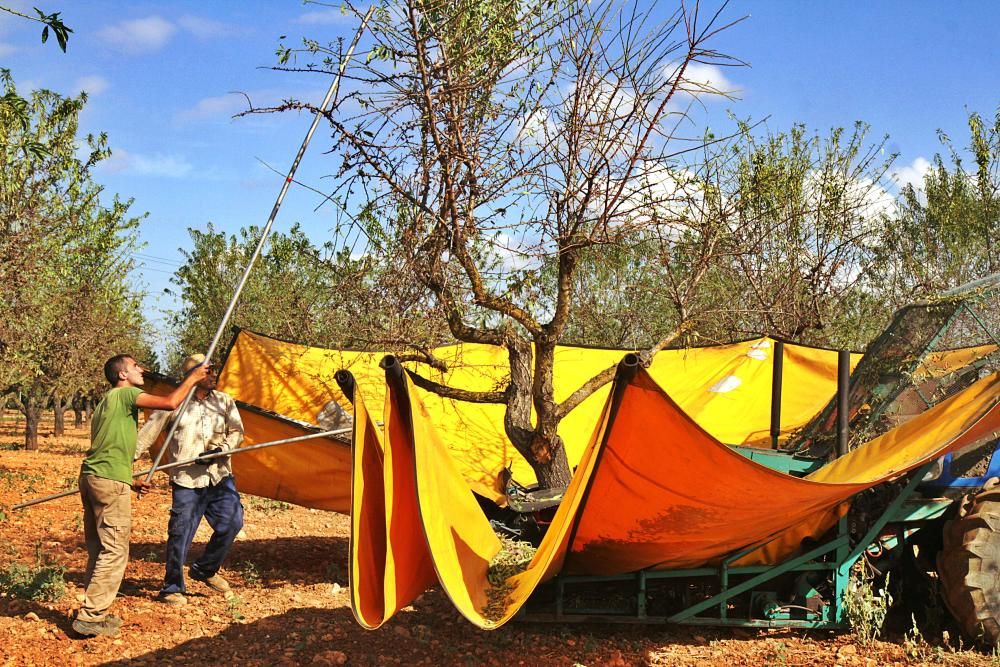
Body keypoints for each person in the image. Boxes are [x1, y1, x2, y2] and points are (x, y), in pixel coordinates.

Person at [73, 354, 209, 638]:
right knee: (115, 550)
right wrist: (193, 378)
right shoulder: (127, 395)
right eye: (136, 366)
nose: (142, 370)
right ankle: (90, 616)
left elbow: (109, 448)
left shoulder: (104, 404)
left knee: (99, 549)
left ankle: (94, 611)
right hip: (108, 481)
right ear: (122, 374)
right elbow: (171, 403)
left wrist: (129, 479)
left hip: (94, 477)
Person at [135, 353, 245, 607]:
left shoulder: (224, 402)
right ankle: (172, 587)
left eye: (214, 371)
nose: (214, 375)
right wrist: (122, 463)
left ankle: (205, 569)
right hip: (187, 479)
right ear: (193, 375)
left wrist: (222, 450)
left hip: (220, 476)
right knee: (180, 533)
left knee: (232, 522)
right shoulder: (175, 403)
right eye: (208, 371)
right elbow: (147, 435)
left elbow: (238, 432)